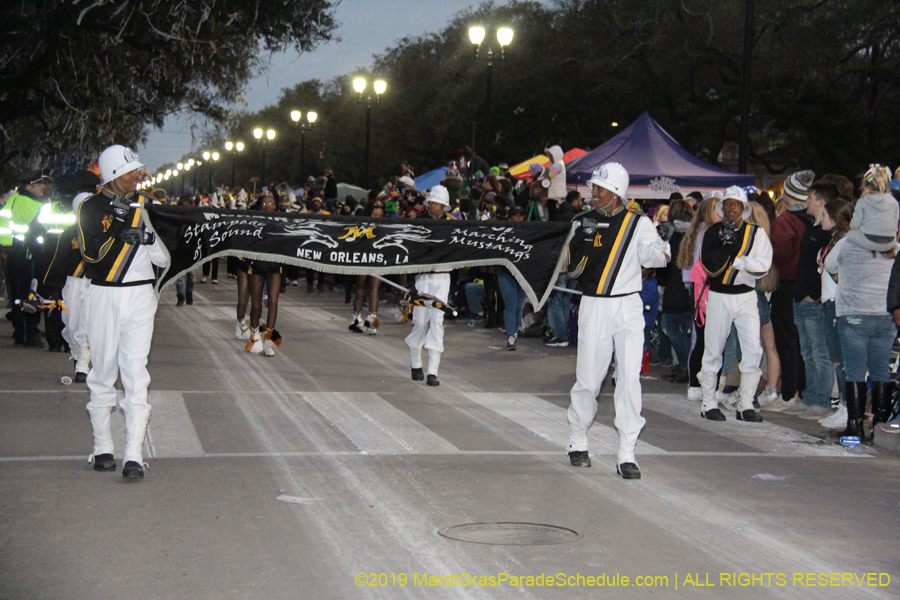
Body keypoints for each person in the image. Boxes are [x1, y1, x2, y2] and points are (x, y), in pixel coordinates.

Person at [565, 163, 671, 479]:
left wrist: (662, 241)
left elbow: (653, 259)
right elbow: (569, 265)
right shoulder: (581, 222)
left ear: (615, 193)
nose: (592, 193)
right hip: (594, 305)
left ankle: (626, 451)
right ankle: (577, 439)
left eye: (599, 189)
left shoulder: (638, 223)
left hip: (628, 306)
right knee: (589, 378)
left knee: (628, 378)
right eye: (593, 187)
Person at [77, 145, 169, 479]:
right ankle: (103, 446)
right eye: (131, 171)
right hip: (103, 294)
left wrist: (148, 239)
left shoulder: (147, 206)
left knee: (134, 370)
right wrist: (120, 234)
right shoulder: (91, 206)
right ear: (114, 174)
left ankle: (133, 454)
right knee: (102, 371)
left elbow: (163, 258)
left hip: (141, 295)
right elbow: (91, 253)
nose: (138, 176)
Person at [830, 165, 898, 441]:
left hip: (853, 313)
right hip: (884, 315)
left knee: (855, 370)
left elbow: (829, 264)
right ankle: (879, 424)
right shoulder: (895, 248)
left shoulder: (849, 243)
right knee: (882, 368)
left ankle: (855, 424)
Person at [697, 187, 772, 422]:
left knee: (753, 348)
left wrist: (738, 261)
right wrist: (727, 250)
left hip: (747, 296)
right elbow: (710, 266)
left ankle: (746, 403)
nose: (732, 208)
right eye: (728, 204)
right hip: (719, 294)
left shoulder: (756, 233)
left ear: (743, 209)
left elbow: (763, 265)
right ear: (722, 207)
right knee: (713, 348)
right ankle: (708, 402)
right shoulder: (712, 233)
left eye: (736, 204)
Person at [787, 181, 840, 420]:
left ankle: (821, 400)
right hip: (801, 297)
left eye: (810, 197)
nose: (806, 201)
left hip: (813, 301)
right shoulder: (813, 226)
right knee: (807, 352)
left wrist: (813, 295)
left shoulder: (827, 232)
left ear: (821, 201)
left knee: (820, 353)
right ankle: (809, 396)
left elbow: (825, 267)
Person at [766, 170, 815, 411]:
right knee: (803, 342)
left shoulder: (785, 221)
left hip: (786, 286)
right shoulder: (812, 219)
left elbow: (781, 254)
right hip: (807, 286)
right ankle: (804, 390)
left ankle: (788, 393)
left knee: (787, 342)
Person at [406, 186, 453, 386]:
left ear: (444, 205)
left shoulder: (453, 226)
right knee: (420, 320)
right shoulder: (419, 222)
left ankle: (433, 370)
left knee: (437, 321)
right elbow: (410, 252)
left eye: (437, 203)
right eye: (431, 202)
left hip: (443, 276)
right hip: (423, 275)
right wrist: (410, 283)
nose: (433, 206)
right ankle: (415, 363)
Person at [1, 168, 53, 347]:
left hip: (16, 251)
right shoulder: (32, 204)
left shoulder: (16, 199)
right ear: (31, 186)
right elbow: (41, 230)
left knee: (19, 293)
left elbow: (4, 225)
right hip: (28, 252)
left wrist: (7, 247)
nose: (44, 187)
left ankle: (22, 330)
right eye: (40, 184)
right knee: (29, 293)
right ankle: (27, 334)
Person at [676, 198, 721, 399]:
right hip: (707, 288)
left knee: (700, 337)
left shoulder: (695, 232)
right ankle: (702, 383)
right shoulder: (707, 233)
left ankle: (696, 383)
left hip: (697, 288)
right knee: (709, 339)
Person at [241, 191, 283, 357]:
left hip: (274, 264)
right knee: (256, 304)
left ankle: (268, 339)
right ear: (260, 205)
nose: (267, 206)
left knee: (273, 301)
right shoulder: (253, 219)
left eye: (270, 203)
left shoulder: (281, 220)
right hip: (256, 263)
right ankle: (255, 335)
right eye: (264, 203)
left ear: (275, 205)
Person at [657, 200, 694, 382]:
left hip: (673, 283)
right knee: (685, 330)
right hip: (691, 285)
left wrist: (661, 279)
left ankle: (684, 365)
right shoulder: (695, 231)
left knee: (669, 326)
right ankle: (686, 365)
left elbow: (663, 258)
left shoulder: (669, 231)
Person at [350, 201, 386, 334]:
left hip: (377, 261)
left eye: (379, 215)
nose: (377, 218)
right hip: (363, 260)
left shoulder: (384, 228)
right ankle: (356, 319)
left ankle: (372, 321)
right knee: (360, 290)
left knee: (374, 290)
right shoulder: (361, 226)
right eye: (374, 215)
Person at [498, 206, 527, 350]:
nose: (519, 218)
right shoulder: (504, 231)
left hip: (521, 273)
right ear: (510, 217)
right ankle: (511, 336)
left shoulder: (528, 232)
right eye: (516, 215)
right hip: (507, 272)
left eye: (521, 215)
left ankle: (514, 334)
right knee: (511, 306)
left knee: (517, 307)